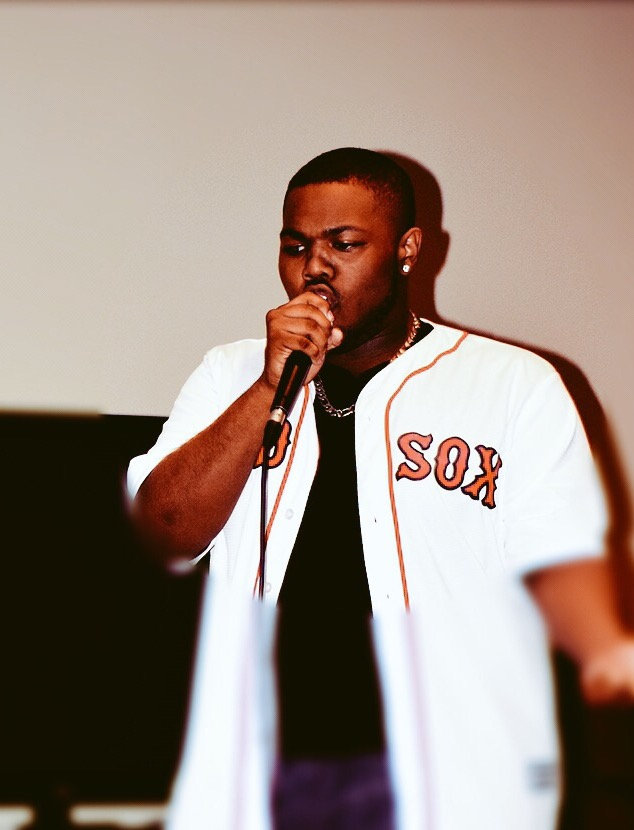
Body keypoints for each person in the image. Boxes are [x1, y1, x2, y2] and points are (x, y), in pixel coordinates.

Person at [128, 148, 634, 830]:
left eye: (344, 244)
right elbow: (161, 531)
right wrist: (270, 383)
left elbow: (567, 581)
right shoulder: (230, 375)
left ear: (407, 250)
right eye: (295, 246)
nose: (314, 268)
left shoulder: (513, 385)